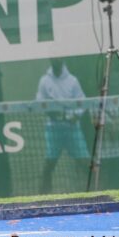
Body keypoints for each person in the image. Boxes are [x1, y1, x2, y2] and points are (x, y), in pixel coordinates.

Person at [36, 59, 89, 194]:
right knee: (49, 164)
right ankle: (44, 196)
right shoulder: (44, 81)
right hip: (53, 129)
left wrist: (75, 115)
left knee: (84, 161)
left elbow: (82, 101)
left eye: (58, 59)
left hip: (72, 129)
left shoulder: (73, 80)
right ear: (50, 60)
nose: (56, 61)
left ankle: (92, 191)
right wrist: (51, 112)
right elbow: (39, 102)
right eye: (53, 59)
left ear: (62, 61)